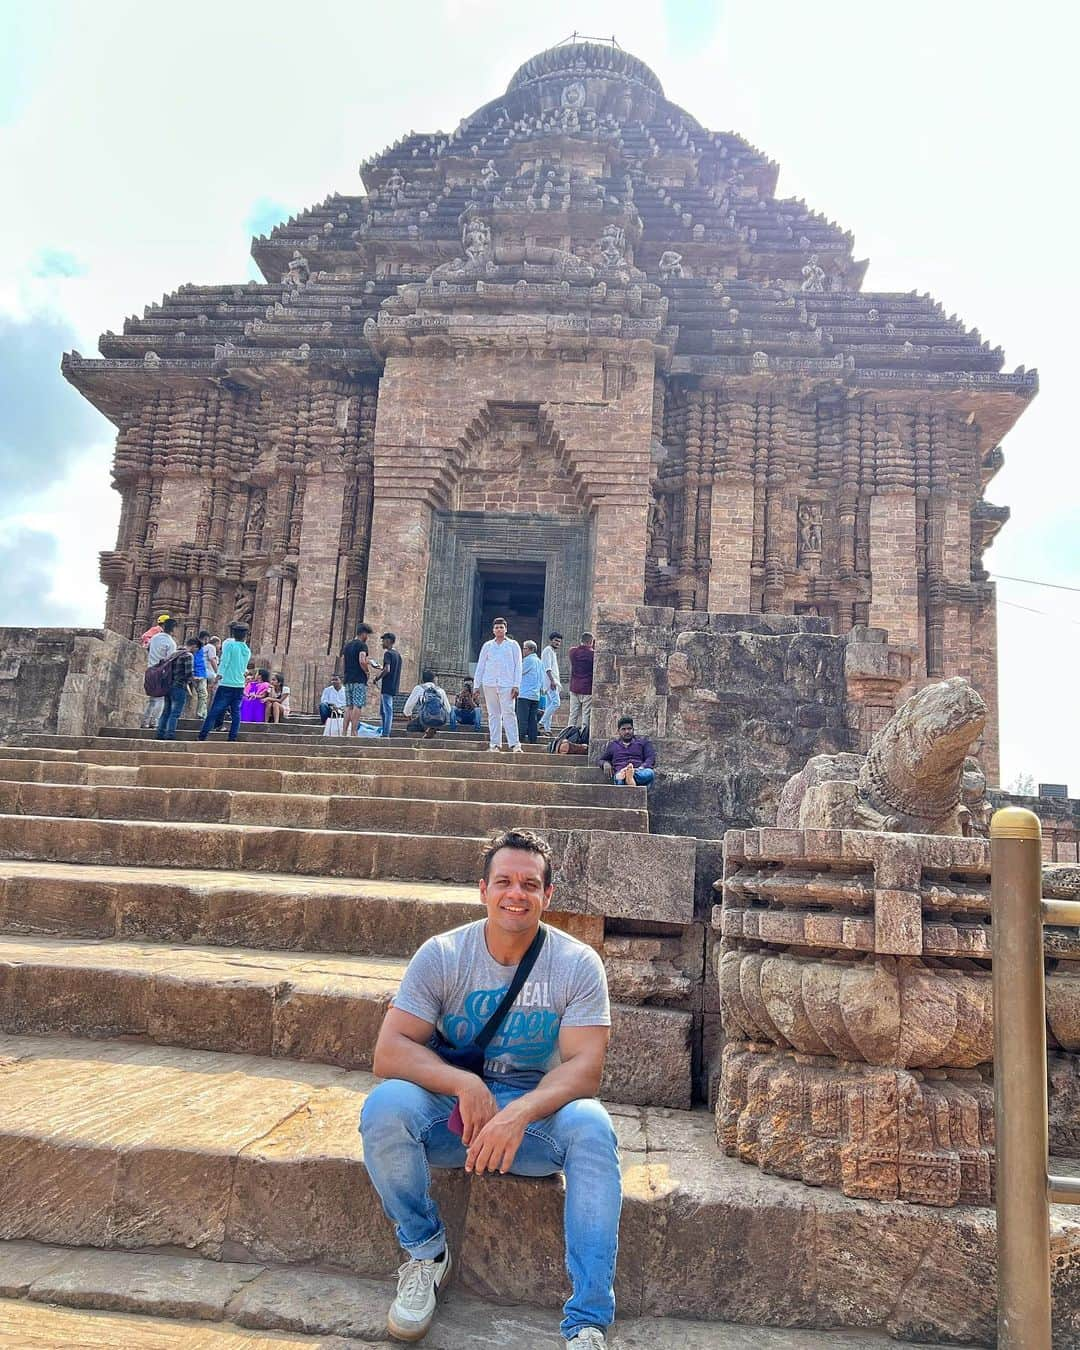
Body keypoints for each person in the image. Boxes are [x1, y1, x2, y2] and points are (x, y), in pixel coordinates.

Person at [360, 827, 619, 1347]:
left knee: (593, 1127)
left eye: (529, 884)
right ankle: (425, 1250)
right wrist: (462, 1083)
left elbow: (584, 1068)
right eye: (503, 881)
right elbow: (389, 1052)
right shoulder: (442, 954)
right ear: (483, 890)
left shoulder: (576, 964)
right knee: (385, 1107)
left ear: (548, 895)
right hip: (456, 1116)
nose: (515, 894)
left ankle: (588, 1320)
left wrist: (517, 1112)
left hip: (532, 1120)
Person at [474, 618, 522, 754]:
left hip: (507, 684)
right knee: (493, 715)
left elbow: (518, 666)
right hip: (489, 683)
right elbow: (481, 665)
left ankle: (515, 744)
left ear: (506, 629)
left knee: (509, 713)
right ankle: (494, 744)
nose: (499, 630)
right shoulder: (488, 646)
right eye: (496, 628)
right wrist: (476, 686)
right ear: (493, 630)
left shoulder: (513, 645)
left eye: (501, 627)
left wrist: (516, 685)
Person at [198, 623, 251, 742]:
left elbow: (224, 663)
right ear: (245, 636)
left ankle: (203, 735)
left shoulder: (230, 645)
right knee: (236, 712)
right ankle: (232, 737)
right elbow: (243, 668)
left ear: (233, 634)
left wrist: (215, 681)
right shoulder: (247, 650)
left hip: (226, 684)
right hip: (239, 685)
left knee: (215, 710)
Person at [156, 636, 198, 741]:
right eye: (196, 649)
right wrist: (195, 680)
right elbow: (188, 673)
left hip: (168, 685)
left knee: (166, 711)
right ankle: (170, 734)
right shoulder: (188, 656)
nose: (196, 651)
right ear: (193, 646)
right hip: (179, 686)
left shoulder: (173, 654)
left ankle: (160, 732)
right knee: (175, 712)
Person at [599, 716, 656, 788]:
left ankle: (630, 776)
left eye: (629, 729)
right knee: (619, 779)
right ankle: (629, 778)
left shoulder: (643, 743)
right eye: (623, 729)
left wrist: (639, 769)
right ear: (618, 731)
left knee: (650, 773)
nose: (627, 732)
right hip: (620, 772)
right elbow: (602, 759)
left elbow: (650, 758)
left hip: (638, 771)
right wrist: (605, 763)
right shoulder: (613, 745)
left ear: (633, 730)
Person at [141, 618, 178, 728]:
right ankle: (154, 722)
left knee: (152, 698)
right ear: (173, 629)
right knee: (160, 698)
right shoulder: (170, 642)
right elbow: (170, 660)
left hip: (150, 670)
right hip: (161, 672)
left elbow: (148, 648)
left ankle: (145, 721)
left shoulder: (155, 638)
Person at [341, 622, 374, 738]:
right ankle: (354, 731)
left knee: (348, 706)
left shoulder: (347, 645)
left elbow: (344, 662)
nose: (367, 637)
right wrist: (367, 671)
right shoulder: (362, 646)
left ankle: (344, 731)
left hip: (348, 678)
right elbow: (361, 660)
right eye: (367, 635)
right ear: (363, 633)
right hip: (359, 679)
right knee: (357, 705)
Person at [403, 669, 452, 739]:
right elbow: (448, 710)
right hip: (439, 721)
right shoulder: (441, 691)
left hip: (424, 720)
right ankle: (432, 729)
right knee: (434, 723)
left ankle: (427, 731)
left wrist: (410, 719)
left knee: (411, 727)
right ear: (434, 680)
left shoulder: (418, 688)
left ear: (422, 680)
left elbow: (407, 709)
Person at [373, 632, 403, 739]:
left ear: (389, 641)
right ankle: (384, 731)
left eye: (383, 640)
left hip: (387, 686)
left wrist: (377, 678)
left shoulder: (388, 654)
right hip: (394, 685)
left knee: (387, 710)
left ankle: (386, 733)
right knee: (383, 710)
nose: (382, 643)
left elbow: (387, 669)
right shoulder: (398, 655)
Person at [516, 640, 543, 745]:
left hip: (525, 694)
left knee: (522, 718)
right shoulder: (539, 661)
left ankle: (520, 737)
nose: (523, 650)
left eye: (525, 648)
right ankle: (533, 739)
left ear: (531, 649)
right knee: (532, 719)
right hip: (535, 695)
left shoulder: (528, 660)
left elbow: (520, 671)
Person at [567, 633, 595, 735]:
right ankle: (584, 735)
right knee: (586, 714)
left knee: (573, 713)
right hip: (587, 687)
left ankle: (568, 735)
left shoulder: (573, 651)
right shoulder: (592, 654)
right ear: (591, 642)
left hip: (574, 686)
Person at [540, 632, 563, 736]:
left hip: (553, 682)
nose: (558, 643)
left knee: (550, 704)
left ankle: (547, 729)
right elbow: (547, 668)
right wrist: (552, 681)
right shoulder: (548, 651)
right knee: (556, 703)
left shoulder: (552, 652)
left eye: (559, 641)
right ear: (551, 640)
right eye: (556, 640)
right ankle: (541, 722)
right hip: (550, 682)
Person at [186, 631, 210, 721]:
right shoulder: (197, 648)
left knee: (202, 694)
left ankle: (202, 713)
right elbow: (193, 662)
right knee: (203, 694)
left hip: (200, 673)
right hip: (198, 674)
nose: (207, 642)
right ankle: (201, 714)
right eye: (206, 640)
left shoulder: (200, 648)